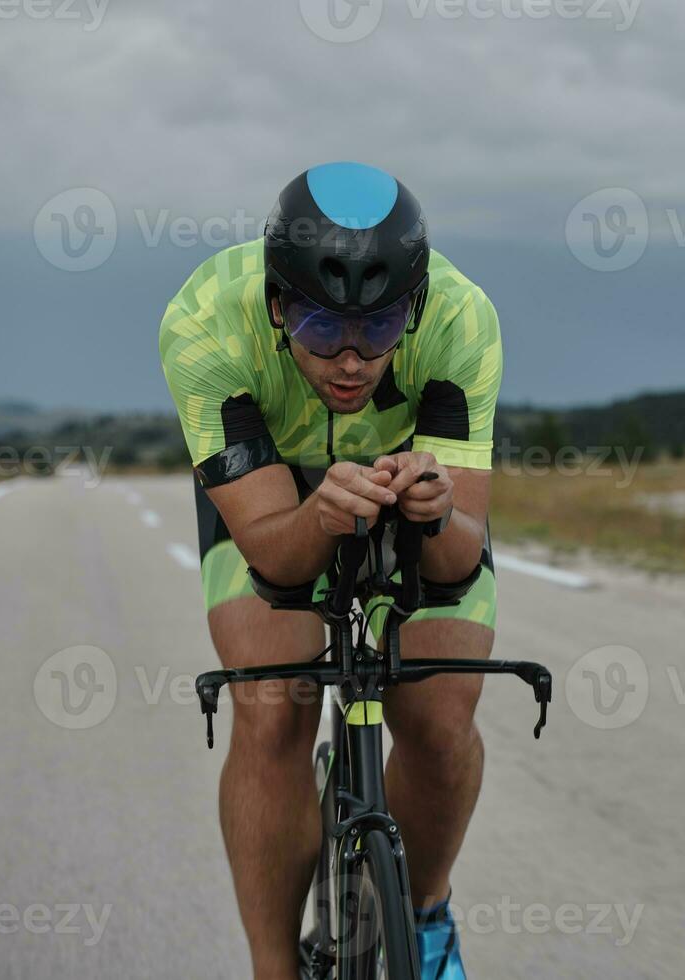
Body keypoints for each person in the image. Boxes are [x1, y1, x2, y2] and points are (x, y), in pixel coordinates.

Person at [160, 161, 501, 979]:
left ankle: (424, 917)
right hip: (275, 490)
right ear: (278, 306)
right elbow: (275, 557)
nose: (350, 362)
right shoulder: (206, 321)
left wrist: (434, 511)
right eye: (320, 332)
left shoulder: (461, 319)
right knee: (273, 707)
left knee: (442, 715)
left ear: (413, 311)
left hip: (405, 481)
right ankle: (274, 969)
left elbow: (457, 562)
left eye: (379, 333)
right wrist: (317, 514)